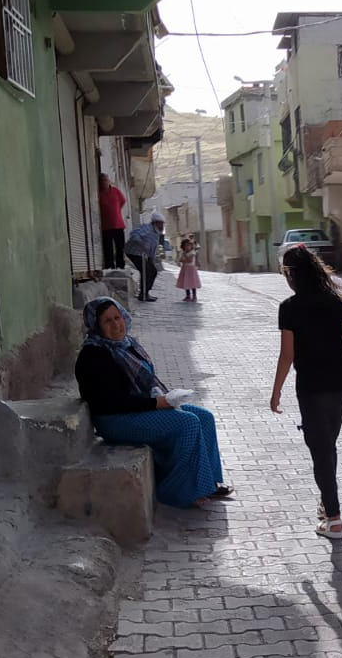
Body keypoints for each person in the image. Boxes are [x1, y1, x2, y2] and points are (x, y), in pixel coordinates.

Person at [75, 296, 232, 508]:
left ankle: (207, 483)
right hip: (115, 419)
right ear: (96, 326)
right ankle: (177, 492)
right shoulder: (94, 355)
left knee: (204, 417)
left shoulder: (127, 345)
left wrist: (162, 399)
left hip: (139, 408)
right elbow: (112, 402)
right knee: (187, 423)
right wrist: (157, 403)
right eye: (107, 321)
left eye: (117, 317)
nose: (116, 325)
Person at [270, 246, 342, 540]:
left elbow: (287, 355)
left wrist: (276, 391)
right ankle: (327, 503)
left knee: (321, 452)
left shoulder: (289, 308)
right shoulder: (335, 302)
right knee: (327, 447)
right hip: (340, 385)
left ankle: (334, 518)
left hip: (312, 388)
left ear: (291, 275)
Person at [125, 211, 166, 301]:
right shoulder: (147, 228)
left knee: (153, 271)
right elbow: (134, 234)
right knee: (146, 271)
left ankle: (146, 292)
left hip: (144, 255)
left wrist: (151, 259)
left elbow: (152, 248)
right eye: (161, 223)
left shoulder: (156, 233)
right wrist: (141, 244)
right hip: (134, 252)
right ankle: (143, 295)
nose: (162, 226)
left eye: (163, 224)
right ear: (155, 223)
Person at [98, 172, 128, 270]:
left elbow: (123, 201)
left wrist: (116, 211)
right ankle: (109, 266)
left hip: (118, 225)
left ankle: (120, 266)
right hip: (106, 226)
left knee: (120, 247)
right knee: (108, 248)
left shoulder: (115, 191)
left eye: (106, 180)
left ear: (109, 181)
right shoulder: (98, 194)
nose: (104, 182)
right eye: (102, 181)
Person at [176, 237, 202, 302]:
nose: (187, 247)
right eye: (185, 246)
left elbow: (189, 260)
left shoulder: (192, 252)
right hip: (185, 269)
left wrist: (185, 256)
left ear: (191, 246)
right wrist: (183, 258)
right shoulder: (183, 252)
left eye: (188, 245)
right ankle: (188, 296)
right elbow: (181, 260)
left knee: (192, 283)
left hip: (191, 269)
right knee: (186, 282)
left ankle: (194, 296)